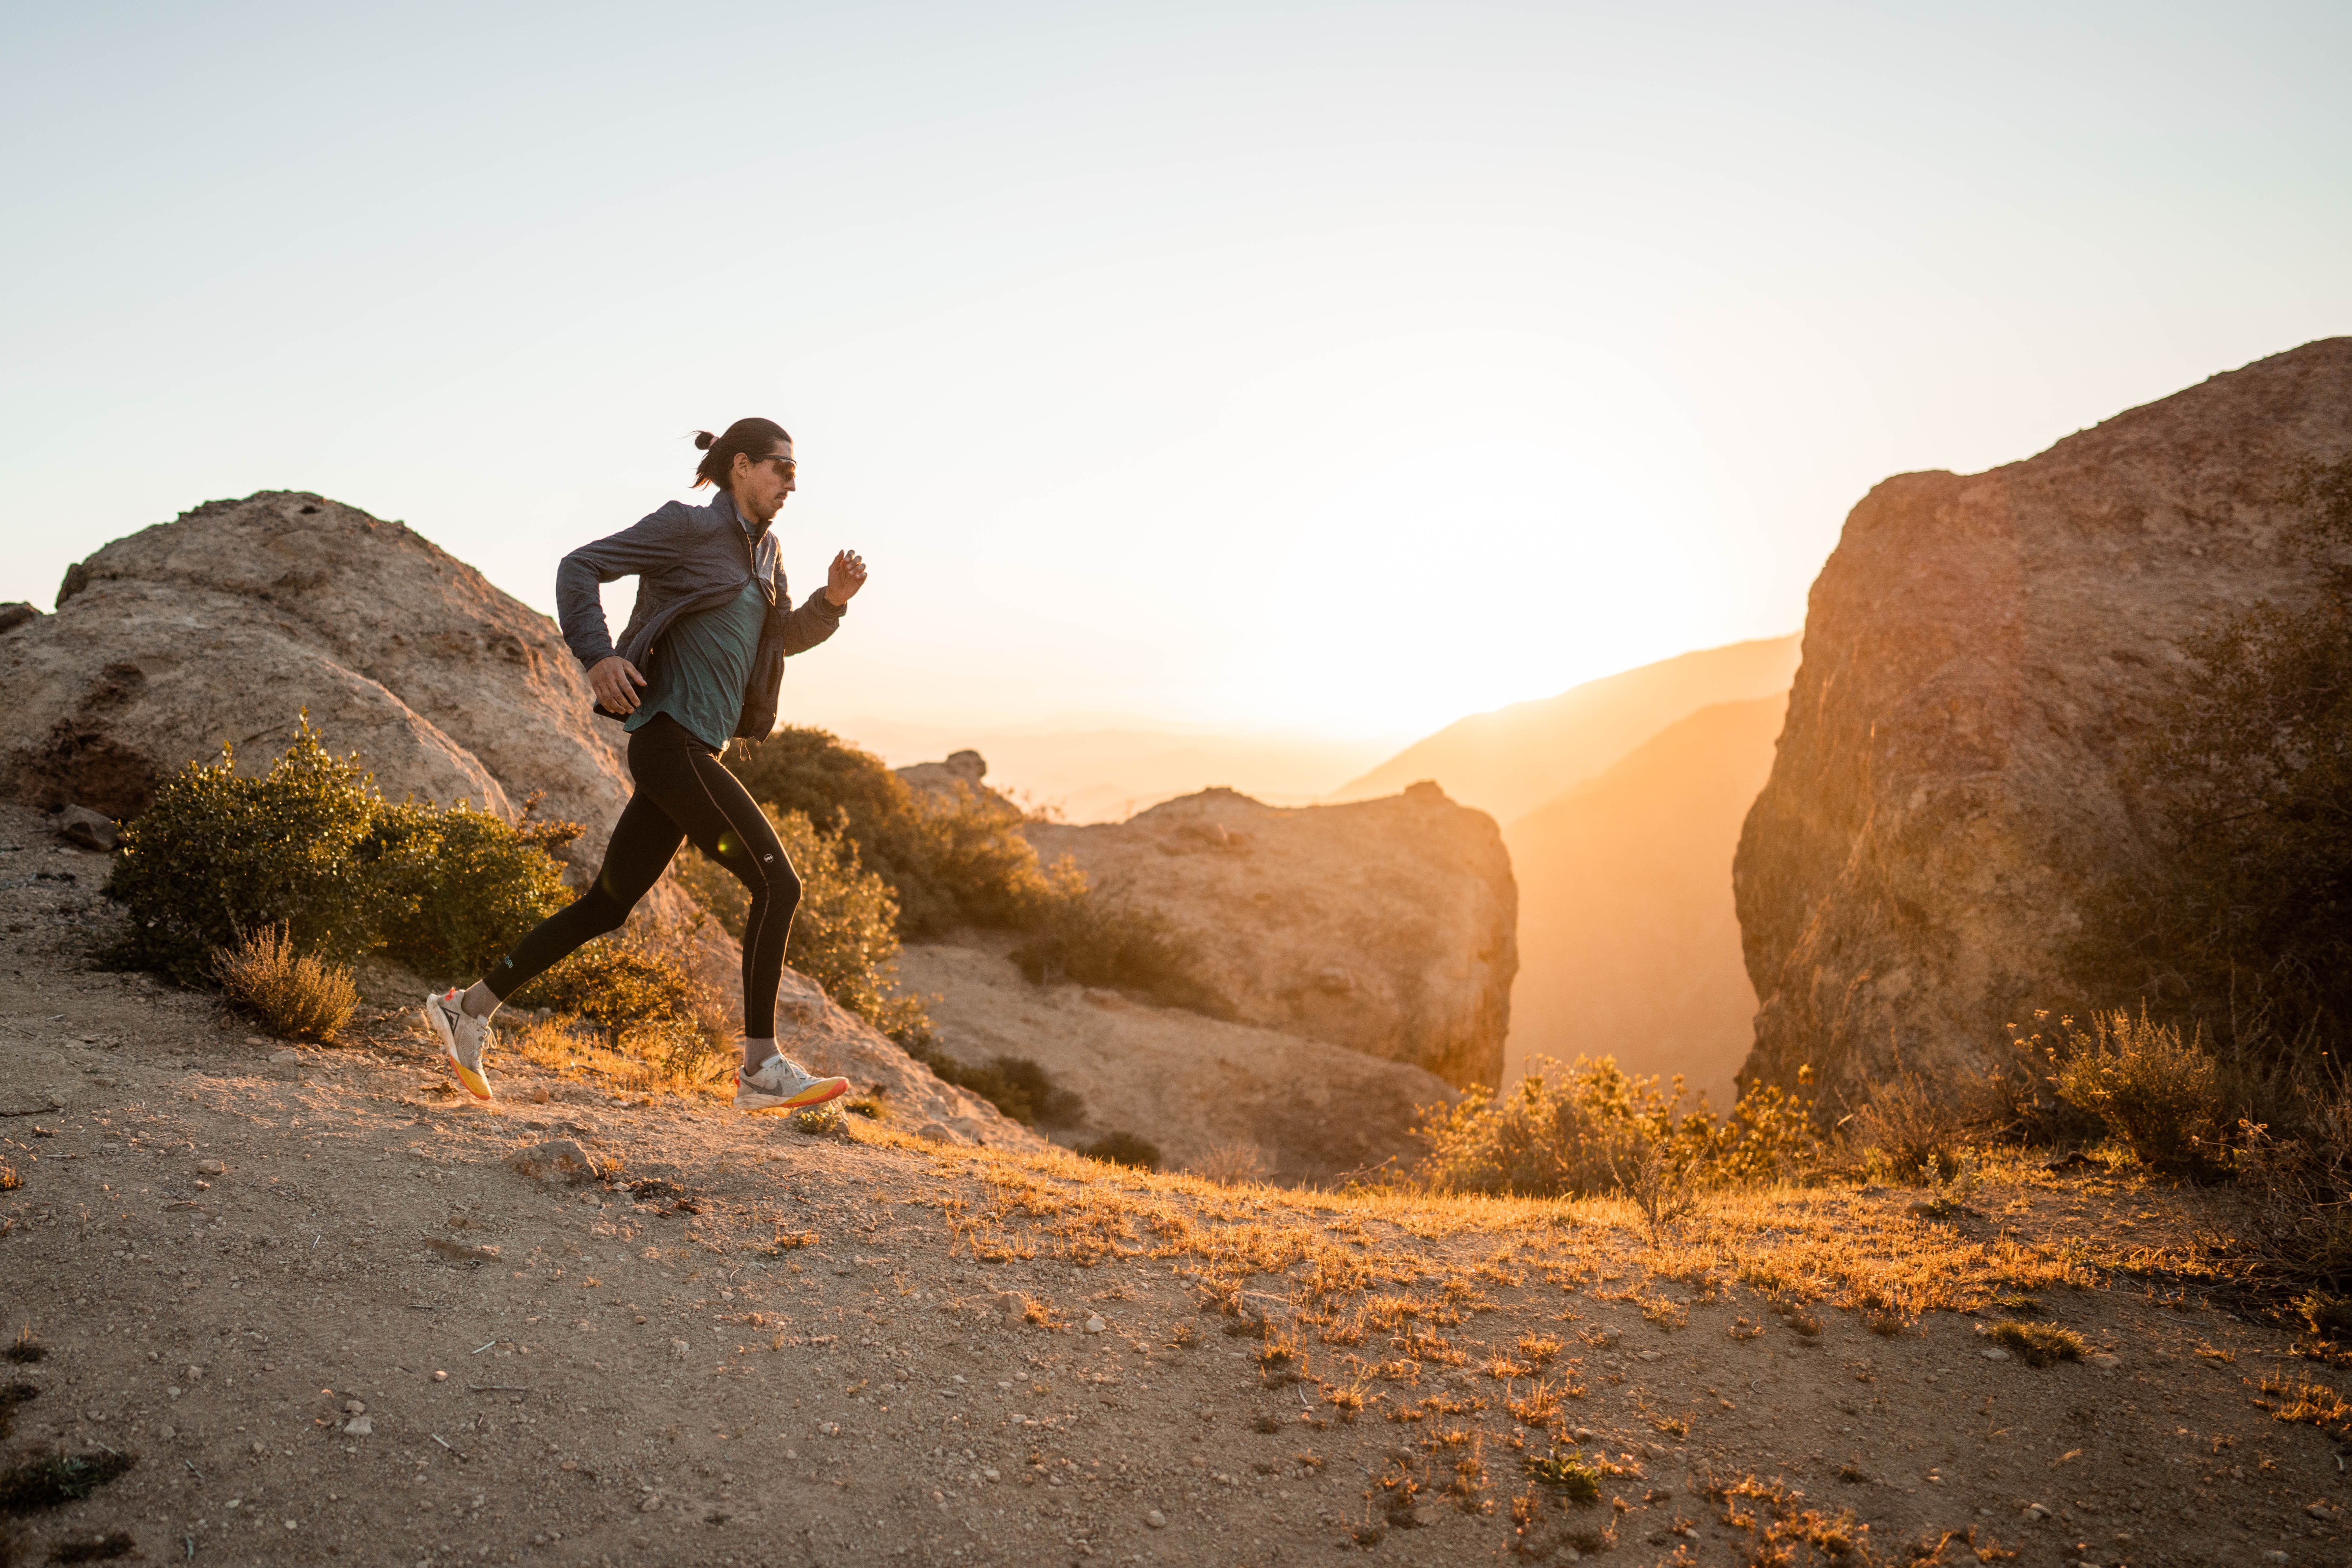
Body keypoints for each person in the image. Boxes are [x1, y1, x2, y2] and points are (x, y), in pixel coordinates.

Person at [423, 417, 866, 1114]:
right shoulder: (687, 528)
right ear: (742, 466)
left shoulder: (769, 552)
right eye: (782, 468)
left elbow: (775, 643)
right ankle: (760, 1067)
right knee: (779, 885)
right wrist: (599, 655)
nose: (791, 483)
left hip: (697, 748)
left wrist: (830, 603)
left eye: (795, 473)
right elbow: (580, 565)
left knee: (607, 905)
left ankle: (466, 1008)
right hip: (670, 740)